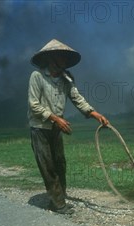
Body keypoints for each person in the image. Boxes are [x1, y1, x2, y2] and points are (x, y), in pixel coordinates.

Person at [28, 39, 109, 214]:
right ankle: (58, 204)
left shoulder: (66, 79)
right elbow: (34, 105)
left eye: (65, 59)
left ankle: (58, 198)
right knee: (47, 166)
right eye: (61, 58)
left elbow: (76, 98)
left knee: (60, 164)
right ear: (51, 58)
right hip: (40, 128)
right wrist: (56, 119)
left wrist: (95, 114)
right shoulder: (38, 77)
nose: (64, 62)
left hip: (56, 128)